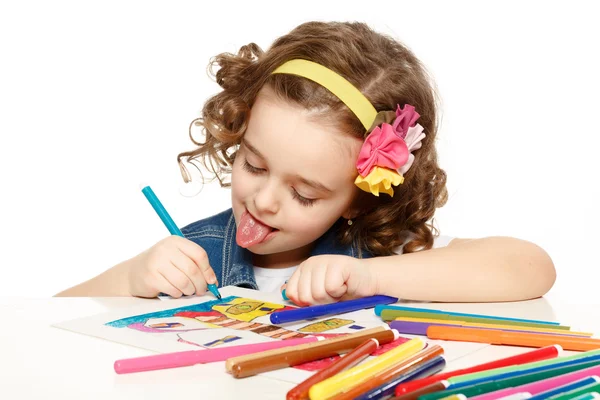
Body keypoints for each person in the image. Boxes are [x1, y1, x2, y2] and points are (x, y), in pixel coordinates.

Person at [56, 21, 556, 304]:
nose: (264, 201)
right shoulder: (195, 255)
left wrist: (372, 279)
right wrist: (130, 279)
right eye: (253, 165)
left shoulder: (379, 255)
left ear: (359, 199)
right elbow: (45, 320)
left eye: (304, 194)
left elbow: (532, 267)